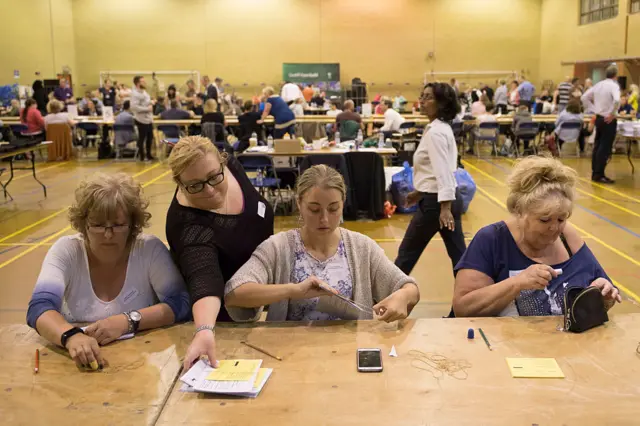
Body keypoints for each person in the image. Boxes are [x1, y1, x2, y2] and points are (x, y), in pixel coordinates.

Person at [26, 173, 190, 369]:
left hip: (139, 364)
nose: (108, 234)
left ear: (132, 225)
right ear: (83, 224)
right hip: (79, 365)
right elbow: (39, 307)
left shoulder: (149, 249)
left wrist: (127, 321)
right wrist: (70, 336)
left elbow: (181, 302)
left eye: (118, 225)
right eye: (98, 225)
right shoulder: (66, 250)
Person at [225, 165, 420, 322]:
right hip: (290, 353)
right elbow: (234, 293)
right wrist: (293, 290)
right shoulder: (278, 247)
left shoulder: (362, 247)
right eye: (314, 209)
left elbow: (409, 287)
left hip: (348, 351)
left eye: (333, 209)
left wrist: (403, 297)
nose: (325, 219)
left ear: (343, 204)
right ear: (299, 204)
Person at [453, 156, 621, 317]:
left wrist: (603, 297)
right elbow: (463, 308)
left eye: (562, 219)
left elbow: (599, 286)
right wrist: (517, 283)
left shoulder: (567, 237)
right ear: (519, 211)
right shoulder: (492, 239)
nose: (554, 227)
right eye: (544, 220)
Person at [165, 136, 274, 369]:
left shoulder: (231, 167)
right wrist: (204, 330)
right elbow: (204, 279)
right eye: (195, 185)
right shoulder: (187, 226)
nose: (210, 190)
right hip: (228, 324)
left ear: (223, 162)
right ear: (179, 183)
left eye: (214, 177)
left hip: (263, 293)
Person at [394, 83, 466, 308]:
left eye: (427, 98)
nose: (422, 101)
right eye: (421, 96)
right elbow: (436, 171)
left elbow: (444, 171)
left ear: (442, 103)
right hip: (442, 199)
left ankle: (382, 300)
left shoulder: (436, 132)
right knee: (460, 259)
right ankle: (471, 301)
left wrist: (443, 208)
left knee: (406, 256)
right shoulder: (440, 128)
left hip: (437, 205)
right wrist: (419, 192)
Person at [581, 64, 620, 184]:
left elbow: (584, 97)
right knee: (605, 147)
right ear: (615, 75)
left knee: (598, 145)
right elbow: (617, 100)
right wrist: (612, 113)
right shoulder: (614, 86)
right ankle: (599, 174)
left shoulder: (598, 84)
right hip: (608, 119)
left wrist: (595, 109)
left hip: (598, 118)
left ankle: (595, 172)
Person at [131, 75, 155, 162]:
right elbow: (134, 107)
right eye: (143, 81)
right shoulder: (135, 94)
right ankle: (142, 156)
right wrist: (147, 109)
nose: (145, 83)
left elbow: (145, 101)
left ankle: (149, 155)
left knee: (150, 138)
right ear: (138, 83)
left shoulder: (144, 92)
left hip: (148, 119)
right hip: (141, 120)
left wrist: (151, 102)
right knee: (142, 138)